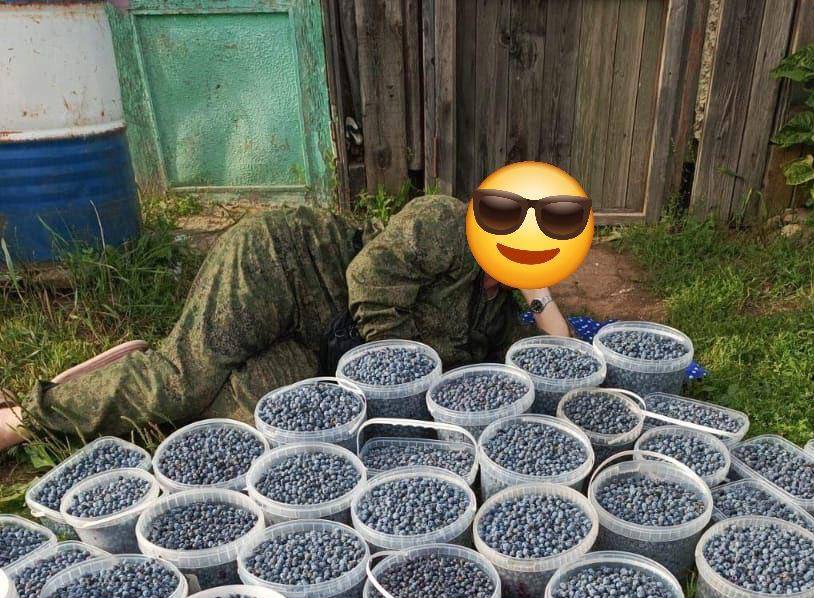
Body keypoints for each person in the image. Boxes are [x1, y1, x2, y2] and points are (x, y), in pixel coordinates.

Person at [0, 194, 572, 451]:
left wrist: (539, 297)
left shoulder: (496, 308)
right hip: (288, 268)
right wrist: (405, 372)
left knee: (220, 428)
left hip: (320, 345)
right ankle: (25, 418)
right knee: (181, 382)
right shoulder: (446, 223)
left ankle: (124, 363)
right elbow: (368, 284)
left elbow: (553, 357)